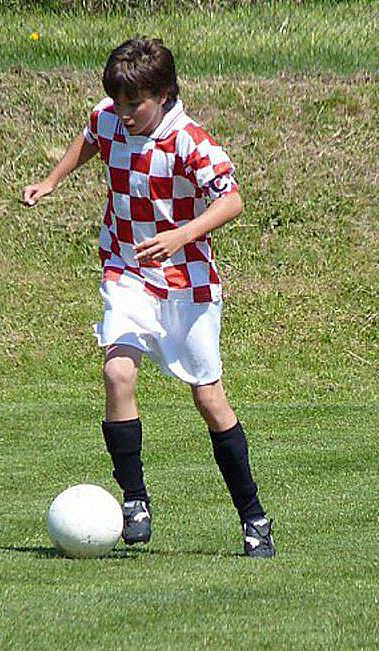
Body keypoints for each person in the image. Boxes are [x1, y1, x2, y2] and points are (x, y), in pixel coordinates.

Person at [22, 38, 275, 558]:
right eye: (117, 102)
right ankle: (135, 499)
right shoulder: (111, 116)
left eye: (133, 104)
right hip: (127, 268)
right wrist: (51, 180)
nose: (122, 113)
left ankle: (254, 518)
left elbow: (232, 200)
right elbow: (90, 136)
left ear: (162, 94)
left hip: (187, 285)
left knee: (209, 400)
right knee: (117, 371)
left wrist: (182, 235)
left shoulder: (191, 141)